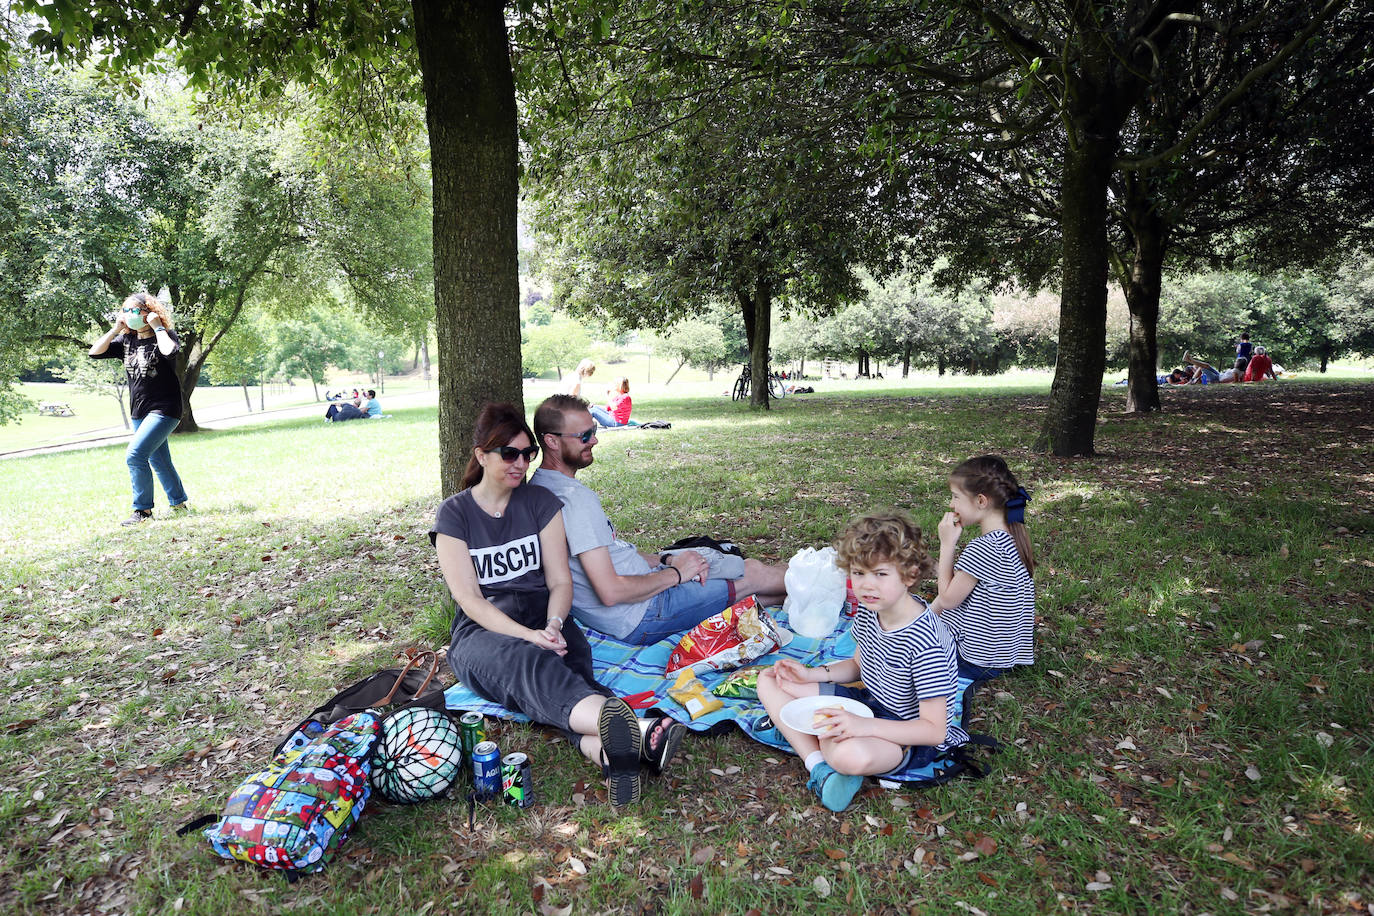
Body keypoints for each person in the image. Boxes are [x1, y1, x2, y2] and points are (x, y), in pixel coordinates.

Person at [431, 402, 685, 807]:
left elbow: (560, 581)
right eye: (509, 454)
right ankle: (635, 728)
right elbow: (470, 599)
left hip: (544, 613)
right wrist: (529, 636)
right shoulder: (455, 514)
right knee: (529, 663)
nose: (520, 463)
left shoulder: (539, 502)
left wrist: (552, 623)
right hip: (482, 630)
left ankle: (606, 752)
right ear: (481, 455)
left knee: (570, 671)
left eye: (527, 453)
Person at [530, 394, 788, 644]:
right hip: (645, 613)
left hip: (639, 600)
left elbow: (611, 555)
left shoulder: (539, 487)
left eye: (594, 430)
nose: (595, 440)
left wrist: (666, 559)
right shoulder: (574, 500)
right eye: (584, 436)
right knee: (752, 572)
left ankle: (805, 590)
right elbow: (611, 592)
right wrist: (677, 573)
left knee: (759, 591)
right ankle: (813, 578)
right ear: (552, 441)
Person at [757, 510, 969, 812]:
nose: (867, 585)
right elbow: (858, 665)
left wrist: (861, 727)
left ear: (910, 575)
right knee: (771, 679)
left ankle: (812, 744)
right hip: (866, 704)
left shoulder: (928, 641)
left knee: (850, 755)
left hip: (905, 734)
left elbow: (934, 731)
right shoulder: (872, 611)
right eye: (858, 573)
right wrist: (811, 675)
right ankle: (819, 766)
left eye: (880, 574)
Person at [928, 455, 1036, 681]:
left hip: (974, 661)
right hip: (1002, 657)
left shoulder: (985, 547)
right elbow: (956, 589)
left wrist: (947, 544)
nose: (951, 504)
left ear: (981, 501)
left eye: (956, 496)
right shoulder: (1013, 537)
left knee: (900, 651)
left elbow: (947, 600)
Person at [89, 292, 190, 526]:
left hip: (165, 408)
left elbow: (170, 352)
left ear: (149, 312)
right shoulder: (125, 340)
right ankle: (178, 504)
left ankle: (142, 511)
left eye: (135, 310)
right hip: (139, 410)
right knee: (160, 460)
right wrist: (115, 330)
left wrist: (158, 327)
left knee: (135, 455)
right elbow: (94, 352)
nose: (129, 315)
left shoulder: (165, 335)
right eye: (126, 310)